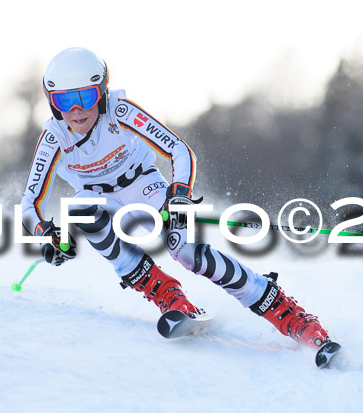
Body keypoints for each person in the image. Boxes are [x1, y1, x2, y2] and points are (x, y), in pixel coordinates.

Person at [21, 47, 331, 348]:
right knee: (80, 209)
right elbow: (30, 205)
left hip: (144, 186)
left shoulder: (120, 112)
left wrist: (179, 194)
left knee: (185, 252)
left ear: (101, 92)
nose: (75, 110)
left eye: (84, 97)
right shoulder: (54, 138)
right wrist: (45, 235)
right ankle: (170, 297)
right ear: (52, 103)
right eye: (63, 100)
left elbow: (179, 150)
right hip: (101, 202)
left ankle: (290, 315)